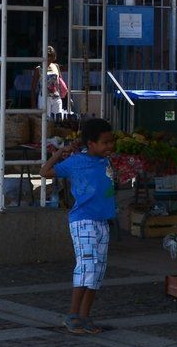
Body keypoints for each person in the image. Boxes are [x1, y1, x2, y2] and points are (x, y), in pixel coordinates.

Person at [42, 118, 119, 335]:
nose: (109, 146)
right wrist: (60, 153)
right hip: (83, 220)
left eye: (110, 142)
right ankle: (73, 315)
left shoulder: (106, 161)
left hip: (102, 221)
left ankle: (84, 317)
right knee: (87, 267)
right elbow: (44, 172)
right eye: (105, 143)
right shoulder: (76, 162)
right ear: (91, 144)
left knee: (98, 270)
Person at [41, 47, 71, 123]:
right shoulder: (39, 68)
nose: (49, 60)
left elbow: (61, 82)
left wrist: (67, 97)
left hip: (56, 97)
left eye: (51, 58)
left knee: (58, 119)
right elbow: (33, 87)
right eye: (47, 58)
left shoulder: (56, 66)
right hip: (44, 97)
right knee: (45, 120)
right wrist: (33, 105)